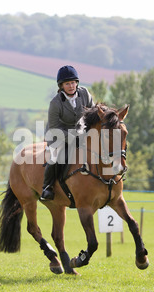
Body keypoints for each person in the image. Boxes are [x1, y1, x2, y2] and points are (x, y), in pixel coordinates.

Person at [40, 65, 94, 201]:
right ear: (61, 86)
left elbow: (93, 113)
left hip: (79, 131)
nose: (71, 86)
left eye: (73, 82)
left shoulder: (84, 93)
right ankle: (47, 187)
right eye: (67, 83)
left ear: (77, 83)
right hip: (57, 134)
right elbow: (54, 128)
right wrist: (72, 138)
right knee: (57, 157)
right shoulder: (55, 103)